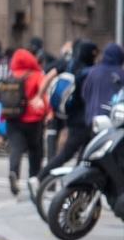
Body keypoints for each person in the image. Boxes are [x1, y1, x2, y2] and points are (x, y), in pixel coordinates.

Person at [32, 40, 99, 189]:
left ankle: (77, 186)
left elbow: (48, 77)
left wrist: (39, 96)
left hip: (70, 115)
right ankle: (42, 178)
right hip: (84, 119)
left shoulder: (67, 64)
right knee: (67, 154)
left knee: (84, 154)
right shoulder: (89, 71)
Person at [4, 47, 48, 196]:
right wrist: (48, 112)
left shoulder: (10, 74)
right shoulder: (36, 75)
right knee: (35, 149)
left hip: (12, 118)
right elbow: (44, 97)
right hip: (33, 119)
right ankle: (33, 178)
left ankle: (13, 172)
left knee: (16, 148)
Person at [80, 41, 124, 124]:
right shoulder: (121, 73)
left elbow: (85, 93)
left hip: (93, 118)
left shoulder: (93, 71)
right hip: (113, 120)